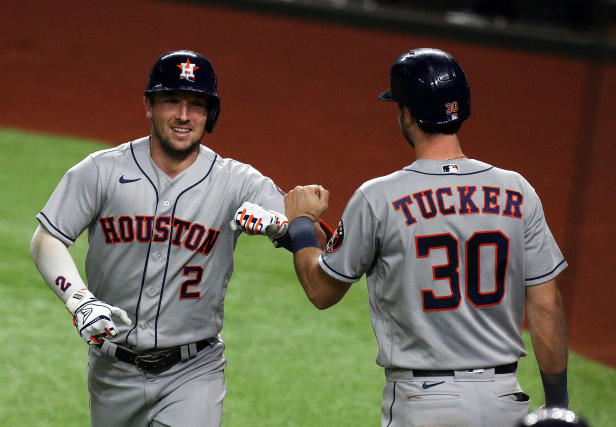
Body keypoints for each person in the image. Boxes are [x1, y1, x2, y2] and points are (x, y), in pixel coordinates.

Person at [283, 48, 569, 427]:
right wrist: (557, 407)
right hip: (506, 399)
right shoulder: (517, 190)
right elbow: (547, 306)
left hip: (425, 403)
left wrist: (302, 225)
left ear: (407, 113)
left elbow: (321, 290)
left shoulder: (379, 196)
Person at [30, 50, 293, 426]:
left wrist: (283, 226)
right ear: (149, 105)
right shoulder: (101, 171)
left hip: (193, 372)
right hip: (112, 371)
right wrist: (79, 300)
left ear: (210, 113)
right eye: (171, 101)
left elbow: (317, 243)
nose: (184, 116)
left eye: (196, 104)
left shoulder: (238, 182)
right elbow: (47, 239)